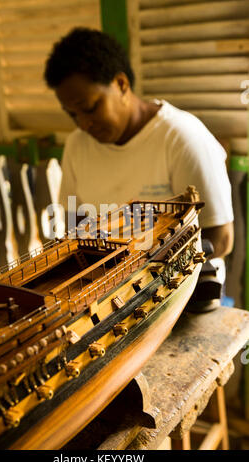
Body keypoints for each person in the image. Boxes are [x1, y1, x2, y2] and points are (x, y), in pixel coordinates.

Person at [44, 27, 234, 280]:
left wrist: (140, 267)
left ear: (121, 84)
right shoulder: (78, 145)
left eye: (89, 108)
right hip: (107, 284)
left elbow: (220, 239)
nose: (83, 124)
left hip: (182, 287)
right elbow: (74, 226)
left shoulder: (182, 138)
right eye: (73, 114)